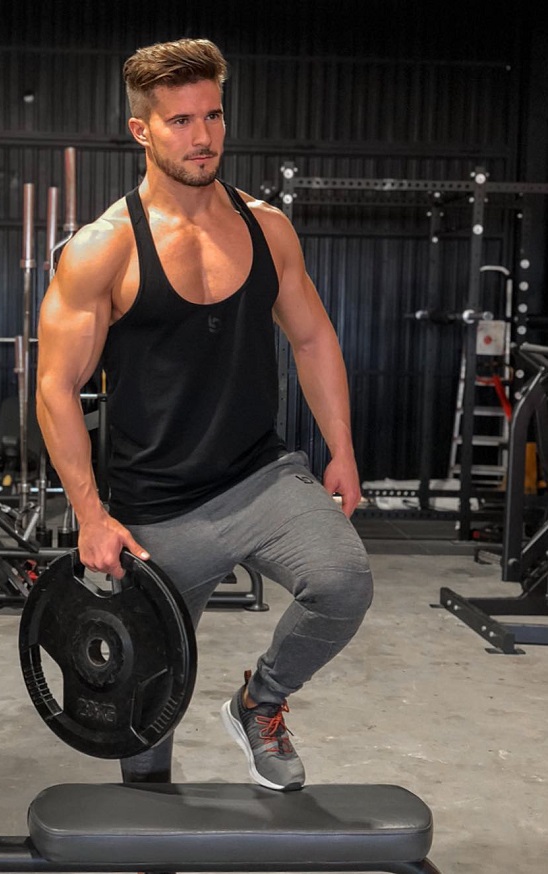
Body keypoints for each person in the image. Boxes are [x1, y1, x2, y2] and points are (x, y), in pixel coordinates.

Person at [37, 37, 373, 792]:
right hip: (155, 511)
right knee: (139, 713)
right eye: (181, 120)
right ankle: (151, 845)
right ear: (142, 131)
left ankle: (260, 704)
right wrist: (91, 516)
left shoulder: (266, 228)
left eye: (213, 115)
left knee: (344, 581)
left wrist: (340, 449)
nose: (203, 136)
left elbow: (314, 336)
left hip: (261, 476)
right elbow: (55, 387)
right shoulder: (103, 249)